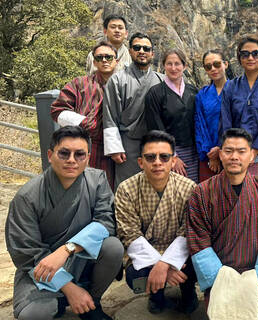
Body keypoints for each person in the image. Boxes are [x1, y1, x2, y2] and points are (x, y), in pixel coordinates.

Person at [5, 126, 124, 320]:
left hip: (81, 258)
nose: (71, 160)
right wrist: (69, 288)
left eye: (79, 154)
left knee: (114, 247)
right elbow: (25, 253)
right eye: (64, 153)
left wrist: (67, 249)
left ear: (88, 156)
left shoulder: (97, 181)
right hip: (42, 266)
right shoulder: (27, 196)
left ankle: (92, 301)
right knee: (32, 315)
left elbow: (106, 222)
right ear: (50, 155)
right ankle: (64, 297)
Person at [187, 128, 258, 320]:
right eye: (228, 151)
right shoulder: (202, 192)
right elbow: (199, 243)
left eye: (241, 151)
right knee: (222, 313)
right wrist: (223, 281)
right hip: (220, 276)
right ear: (220, 154)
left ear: (251, 156)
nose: (234, 157)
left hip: (256, 276)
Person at [114, 130, 198, 315]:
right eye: (150, 157)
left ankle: (187, 291)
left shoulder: (189, 188)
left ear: (173, 161)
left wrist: (165, 264)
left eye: (164, 157)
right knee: (136, 278)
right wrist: (162, 267)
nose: (157, 162)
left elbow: (188, 231)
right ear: (140, 162)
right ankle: (156, 295)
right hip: (146, 253)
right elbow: (129, 233)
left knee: (198, 261)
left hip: (180, 254)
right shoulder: (126, 189)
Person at [218, 34, 258, 194]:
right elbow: (225, 121)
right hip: (236, 154)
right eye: (245, 54)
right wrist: (236, 150)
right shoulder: (230, 87)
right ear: (239, 58)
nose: (250, 58)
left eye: (256, 53)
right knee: (238, 198)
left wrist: (255, 150)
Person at [51, 41, 118, 188]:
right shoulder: (79, 84)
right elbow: (57, 110)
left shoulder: (124, 86)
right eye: (100, 57)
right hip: (83, 148)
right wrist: (86, 123)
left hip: (115, 152)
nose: (104, 60)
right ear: (94, 61)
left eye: (109, 57)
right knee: (81, 189)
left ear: (116, 60)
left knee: (107, 192)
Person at [103, 32, 164, 189]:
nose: (142, 51)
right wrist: (115, 148)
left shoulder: (162, 80)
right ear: (130, 51)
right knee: (127, 187)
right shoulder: (117, 80)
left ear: (152, 53)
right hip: (127, 144)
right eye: (137, 47)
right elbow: (110, 116)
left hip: (156, 144)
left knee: (155, 186)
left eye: (146, 48)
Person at [145, 48, 199, 182]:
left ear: (184, 66)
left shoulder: (192, 91)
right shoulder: (155, 93)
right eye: (169, 64)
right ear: (164, 66)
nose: (173, 68)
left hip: (194, 152)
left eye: (177, 64)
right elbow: (156, 127)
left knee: (193, 191)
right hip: (169, 153)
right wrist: (172, 155)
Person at [194, 49, 230, 182]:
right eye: (208, 67)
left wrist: (221, 148)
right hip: (208, 155)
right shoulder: (202, 95)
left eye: (217, 64)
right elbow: (200, 125)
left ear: (225, 64)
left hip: (231, 153)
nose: (213, 69)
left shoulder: (237, 90)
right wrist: (211, 155)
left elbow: (240, 123)